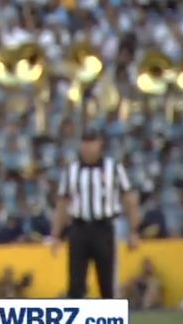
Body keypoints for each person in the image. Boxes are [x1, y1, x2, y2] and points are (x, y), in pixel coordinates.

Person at [51, 128, 141, 305]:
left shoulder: (113, 168)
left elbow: (129, 199)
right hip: (78, 228)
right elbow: (62, 203)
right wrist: (55, 235)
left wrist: (134, 231)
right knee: (75, 284)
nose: (88, 147)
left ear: (100, 144)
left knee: (107, 283)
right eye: (85, 142)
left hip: (104, 228)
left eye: (92, 142)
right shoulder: (72, 170)